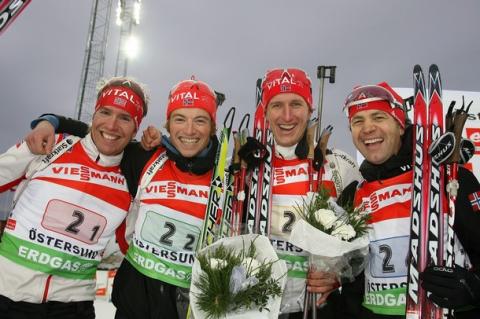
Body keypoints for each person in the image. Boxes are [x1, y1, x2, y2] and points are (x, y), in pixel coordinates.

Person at [26, 77, 223, 319]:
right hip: (134, 304)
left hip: (188, 307)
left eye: (200, 120)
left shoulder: (227, 176)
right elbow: (102, 135)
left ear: (212, 127)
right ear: (168, 125)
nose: (189, 130)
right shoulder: (143, 158)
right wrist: (51, 122)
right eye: (179, 119)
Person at [317, 81, 480, 318]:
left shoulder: (450, 177)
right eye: (357, 121)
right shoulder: (353, 194)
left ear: (401, 125)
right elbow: (351, 277)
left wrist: (472, 288)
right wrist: (331, 282)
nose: (367, 128)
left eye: (378, 117)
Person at [0, 77, 148, 319]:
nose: (111, 125)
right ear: (94, 114)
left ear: (136, 127)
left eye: (124, 118)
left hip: (73, 305)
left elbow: (127, 245)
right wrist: (50, 121)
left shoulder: (132, 178)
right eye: (105, 112)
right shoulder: (51, 144)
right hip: (8, 296)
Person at [252, 68, 362, 317]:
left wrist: (339, 276)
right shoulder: (250, 167)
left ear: (310, 110)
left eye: (296, 104)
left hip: (317, 307)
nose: (287, 115)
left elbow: (366, 242)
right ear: (266, 113)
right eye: (277, 105)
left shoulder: (339, 166)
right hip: (258, 305)